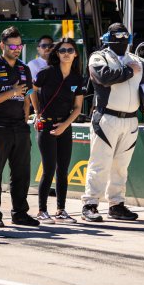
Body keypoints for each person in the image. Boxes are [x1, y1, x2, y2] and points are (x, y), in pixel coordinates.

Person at [82, 23, 144, 222]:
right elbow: (103, 77)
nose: (122, 39)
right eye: (117, 36)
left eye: (125, 36)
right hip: (106, 117)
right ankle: (90, 203)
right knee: (100, 163)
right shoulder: (99, 57)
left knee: (121, 166)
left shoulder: (139, 61)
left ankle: (116, 204)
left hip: (131, 119)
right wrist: (127, 71)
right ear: (107, 38)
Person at [0, 27, 39, 228]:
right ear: (2, 45)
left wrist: (26, 115)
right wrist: (11, 92)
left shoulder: (24, 68)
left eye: (19, 46)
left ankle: (20, 213)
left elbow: (27, 97)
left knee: (22, 174)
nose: (17, 49)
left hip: (19, 128)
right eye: (12, 46)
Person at [32, 38, 85, 223]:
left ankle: (61, 210)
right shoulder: (46, 73)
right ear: (57, 53)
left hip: (65, 126)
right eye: (62, 51)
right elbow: (32, 90)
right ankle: (42, 210)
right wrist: (37, 112)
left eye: (70, 50)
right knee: (48, 169)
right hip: (46, 125)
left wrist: (65, 125)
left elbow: (77, 108)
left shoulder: (77, 78)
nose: (66, 54)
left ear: (75, 54)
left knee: (62, 170)